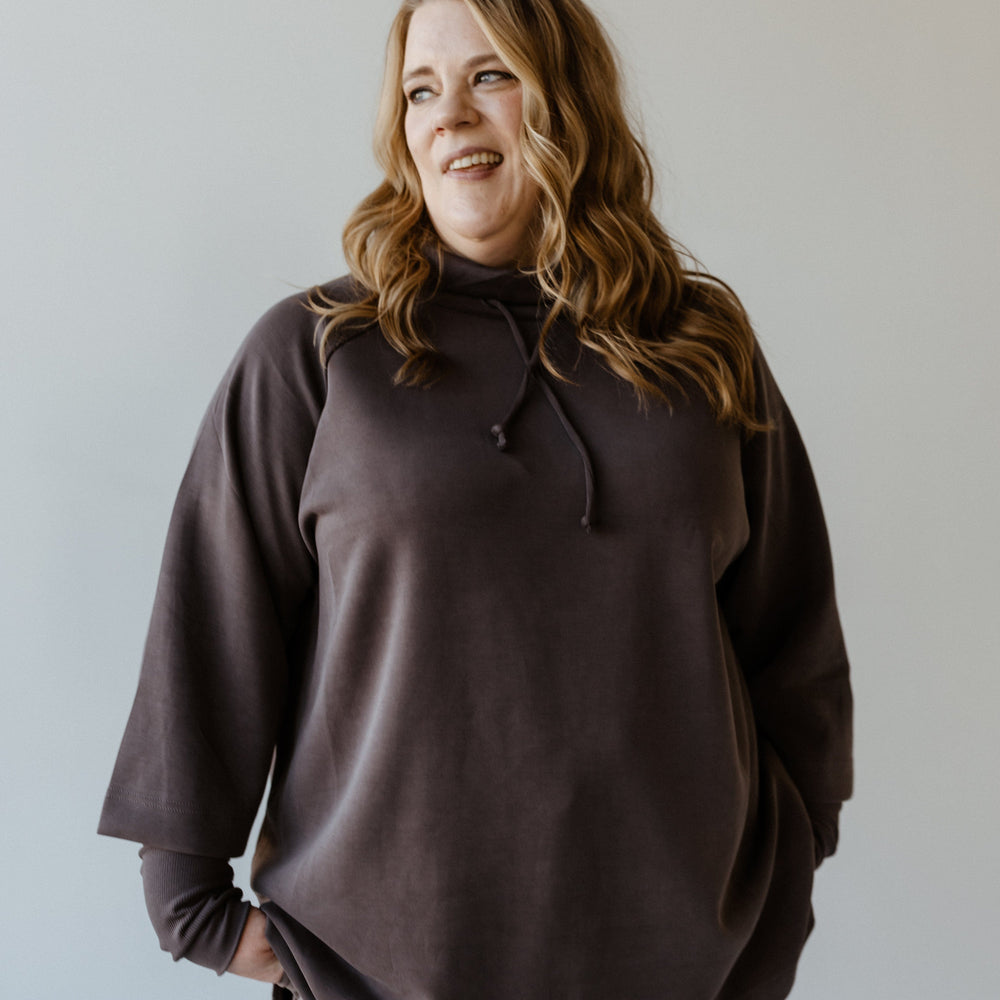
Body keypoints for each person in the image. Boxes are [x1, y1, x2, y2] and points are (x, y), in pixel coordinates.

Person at [99, 0, 853, 998]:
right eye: (420, 90)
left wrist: (789, 871)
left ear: (568, 98)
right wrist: (186, 894)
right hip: (381, 964)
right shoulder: (318, 354)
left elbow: (788, 634)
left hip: (677, 963)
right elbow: (213, 615)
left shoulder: (697, 345)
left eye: (489, 76)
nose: (447, 116)